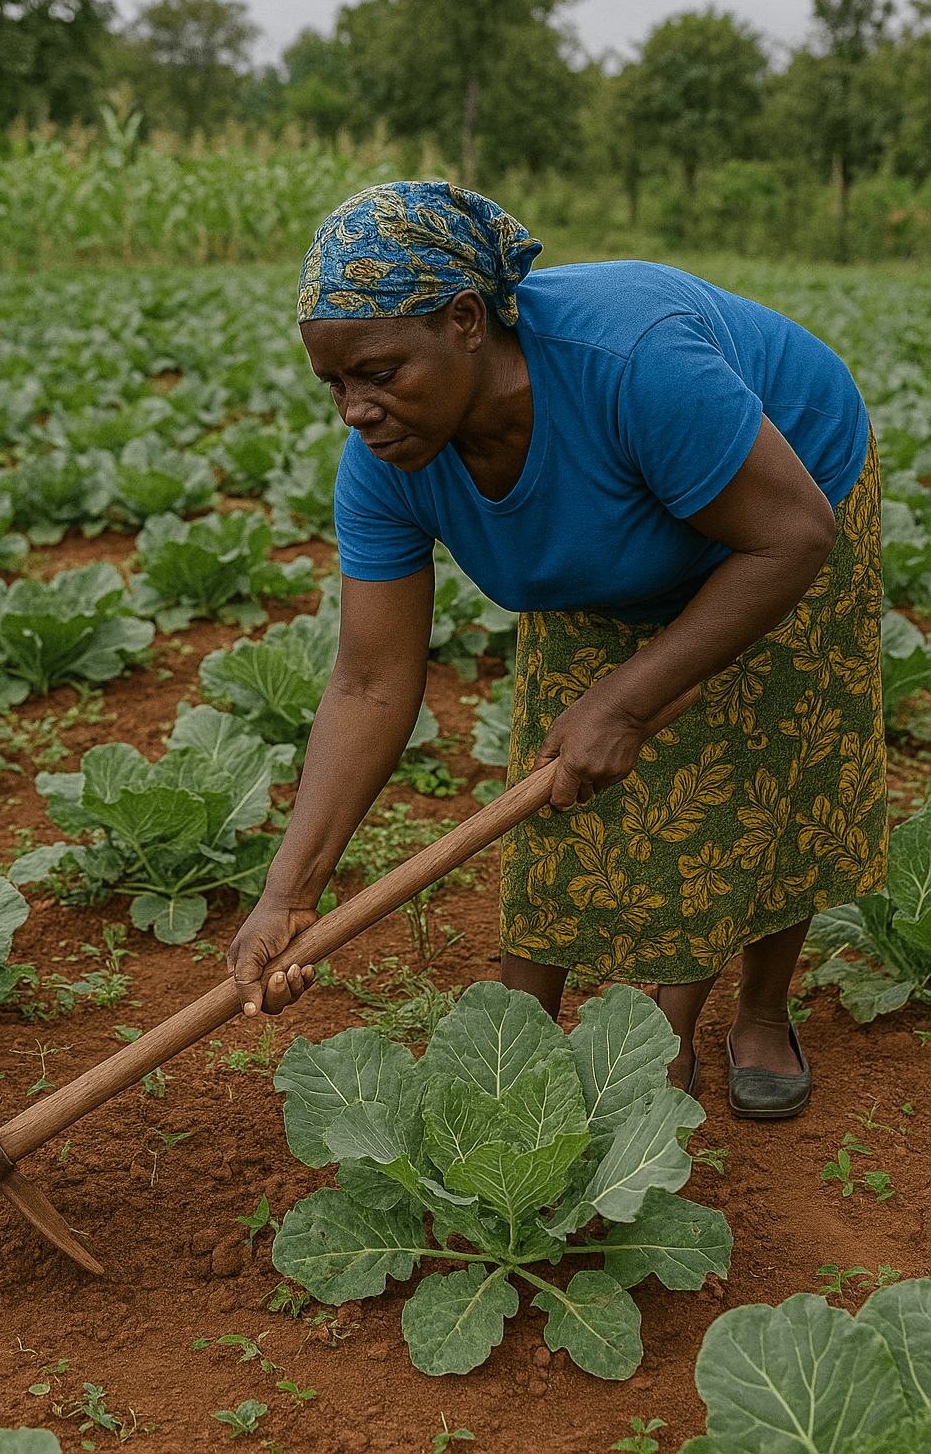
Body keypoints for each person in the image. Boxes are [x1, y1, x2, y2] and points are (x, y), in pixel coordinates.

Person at [227, 180, 887, 1119]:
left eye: (377, 372)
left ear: (465, 320)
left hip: (784, 504)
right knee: (560, 772)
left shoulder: (629, 361)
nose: (354, 410)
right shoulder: (387, 463)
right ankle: (521, 1043)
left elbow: (790, 536)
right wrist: (288, 893)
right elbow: (371, 682)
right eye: (334, 384)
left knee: (764, 758)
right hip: (600, 532)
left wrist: (630, 697)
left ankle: (756, 1012)